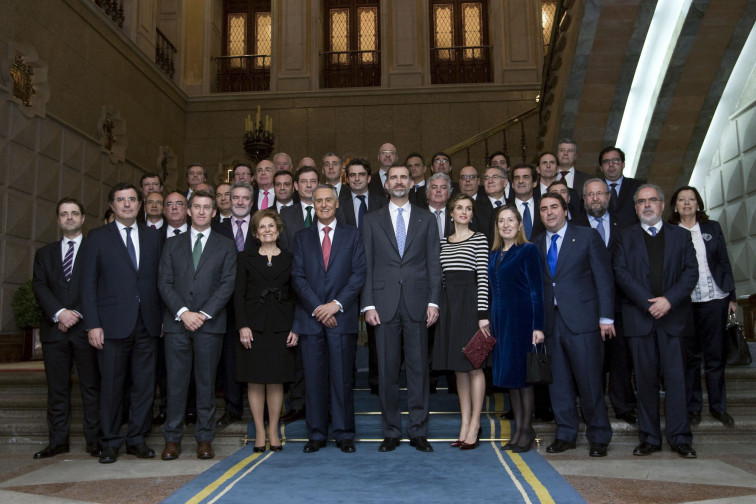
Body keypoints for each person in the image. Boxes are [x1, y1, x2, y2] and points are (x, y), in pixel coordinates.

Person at [361, 163, 442, 453]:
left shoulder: (426, 219)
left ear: (411, 182)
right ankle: (391, 431)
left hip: (419, 303)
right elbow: (366, 265)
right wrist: (367, 303)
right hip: (382, 305)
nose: (398, 181)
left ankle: (418, 430)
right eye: (393, 177)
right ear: (386, 184)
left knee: (419, 369)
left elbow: (434, 262)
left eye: (403, 177)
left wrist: (434, 301)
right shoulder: (371, 220)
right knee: (386, 371)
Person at [613, 184, 698, 458]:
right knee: (645, 381)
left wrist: (668, 300)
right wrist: (649, 303)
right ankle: (649, 438)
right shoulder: (624, 237)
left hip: (673, 319)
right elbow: (621, 273)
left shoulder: (681, 236)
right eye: (641, 201)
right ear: (635, 207)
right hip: (640, 319)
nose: (647, 205)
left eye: (652, 200)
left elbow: (690, 273)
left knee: (676, 381)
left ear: (662, 205)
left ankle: (680, 437)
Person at [80, 182, 163, 464]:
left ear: (140, 205)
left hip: (148, 324)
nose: (127, 204)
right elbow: (88, 285)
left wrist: (162, 318)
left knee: (144, 386)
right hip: (111, 324)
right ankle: (110, 441)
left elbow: (158, 282)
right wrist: (92, 324)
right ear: (112, 206)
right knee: (112, 387)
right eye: (121, 200)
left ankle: (137, 439)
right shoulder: (97, 237)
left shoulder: (153, 238)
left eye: (131, 200)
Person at [157, 190, 237, 461]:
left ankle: (204, 439)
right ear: (189, 211)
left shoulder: (226, 245)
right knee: (176, 385)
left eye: (207, 207)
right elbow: (164, 283)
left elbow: (227, 284)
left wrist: (202, 314)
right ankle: (172, 440)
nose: (202, 212)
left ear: (215, 212)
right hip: (177, 325)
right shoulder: (171, 244)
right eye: (197, 207)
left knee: (206, 385)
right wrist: (183, 312)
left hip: (210, 325)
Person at [535, 192, 615, 457]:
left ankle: (599, 435)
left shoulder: (586, 236)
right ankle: (566, 433)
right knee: (558, 383)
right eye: (544, 208)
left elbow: (603, 278)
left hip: (583, 321)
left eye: (554, 207)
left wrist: (606, 317)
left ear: (565, 210)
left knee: (590, 381)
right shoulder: (535, 245)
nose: (549, 213)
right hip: (551, 324)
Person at [291, 185, 366, 453]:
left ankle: (344, 434)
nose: (323, 204)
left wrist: (334, 305)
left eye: (328, 200)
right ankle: (316, 434)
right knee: (313, 379)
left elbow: (358, 274)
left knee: (342, 379)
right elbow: (297, 277)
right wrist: (318, 308)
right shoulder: (301, 237)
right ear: (314, 205)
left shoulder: (352, 235)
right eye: (318, 201)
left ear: (337, 205)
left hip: (341, 318)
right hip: (311, 320)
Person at [32, 197, 100, 459]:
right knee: (57, 388)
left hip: (87, 329)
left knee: (91, 387)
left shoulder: (95, 249)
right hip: (54, 331)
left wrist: (77, 314)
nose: (69, 217)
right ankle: (58, 441)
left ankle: (94, 440)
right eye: (64, 214)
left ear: (83, 219)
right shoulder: (44, 253)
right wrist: (60, 313)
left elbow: (99, 285)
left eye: (74, 213)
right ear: (58, 220)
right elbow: (40, 286)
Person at [669, 185, 737, 428]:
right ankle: (694, 407)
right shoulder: (670, 232)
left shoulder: (712, 228)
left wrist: (732, 297)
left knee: (715, 357)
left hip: (715, 299)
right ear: (675, 206)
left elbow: (724, 262)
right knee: (690, 358)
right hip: (685, 304)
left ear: (698, 204)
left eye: (691, 199)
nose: (687, 203)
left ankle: (719, 408)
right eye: (681, 199)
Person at [234, 209, 299, 452]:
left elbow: (296, 295)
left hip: (282, 326)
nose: (267, 230)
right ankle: (259, 433)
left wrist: (296, 327)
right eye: (262, 227)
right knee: (255, 380)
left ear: (279, 230)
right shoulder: (245, 257)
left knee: (276, 380)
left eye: (271, 226)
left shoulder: (290, 258)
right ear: (255, 232)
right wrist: (242, 325)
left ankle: (273, 430)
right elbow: (238, 295)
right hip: (253, 326)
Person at [432, 193, 490, 450]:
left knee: (475, 366)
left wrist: (482, 316)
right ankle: (464, 423)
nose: (464, 212)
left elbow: (483, 280)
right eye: (459, 208)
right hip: (449, 308)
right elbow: (441, 280)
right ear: (451, 213)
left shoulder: (479, 239)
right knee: (458, 368)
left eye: (468, 208)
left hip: (472, 309)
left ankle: (475, 423)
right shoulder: (443, 243)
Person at [488, 205, 545, 453]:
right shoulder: (495, 254)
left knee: (523, 378)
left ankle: (526, 431)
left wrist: (538, 326)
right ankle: (517, 432)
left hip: (522, 320)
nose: (506, 225)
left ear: (520, 224)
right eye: (502, 221)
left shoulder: (528, 250)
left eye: (511, 220)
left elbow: (537, 290)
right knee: (511, 378)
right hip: (501, 322)